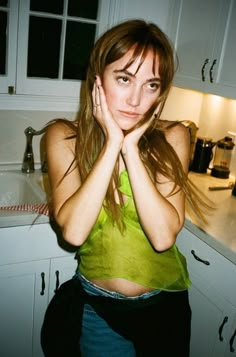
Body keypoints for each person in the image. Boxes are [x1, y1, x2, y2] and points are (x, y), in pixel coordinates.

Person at [44, 19, 208, 356]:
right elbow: (73, 232)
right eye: (124, 78)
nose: (135, 99)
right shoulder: (64, 137)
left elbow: (163, 237)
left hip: (164, 308)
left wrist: (131, 148)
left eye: (151, 85)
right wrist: (111, 145)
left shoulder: (174, 137)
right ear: (98, 79)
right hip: (101, 312)